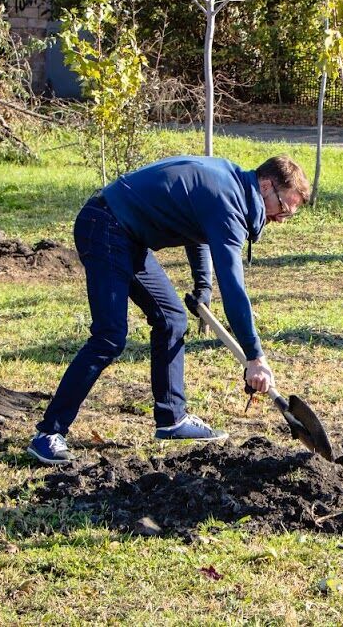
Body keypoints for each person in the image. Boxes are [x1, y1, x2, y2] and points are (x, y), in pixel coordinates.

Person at [27, 154, 310, 465]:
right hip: (105, 225)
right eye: (283, 208)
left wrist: (202, 289)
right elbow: (234, 289)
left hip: (127, 234)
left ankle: (172, 420)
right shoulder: (229, 202)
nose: (281, 218)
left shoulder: (230, 185)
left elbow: (198, 228)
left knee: (172, 319)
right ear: (266, 185)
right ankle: (48, 434)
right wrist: (255, 357)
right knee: (110, 336)